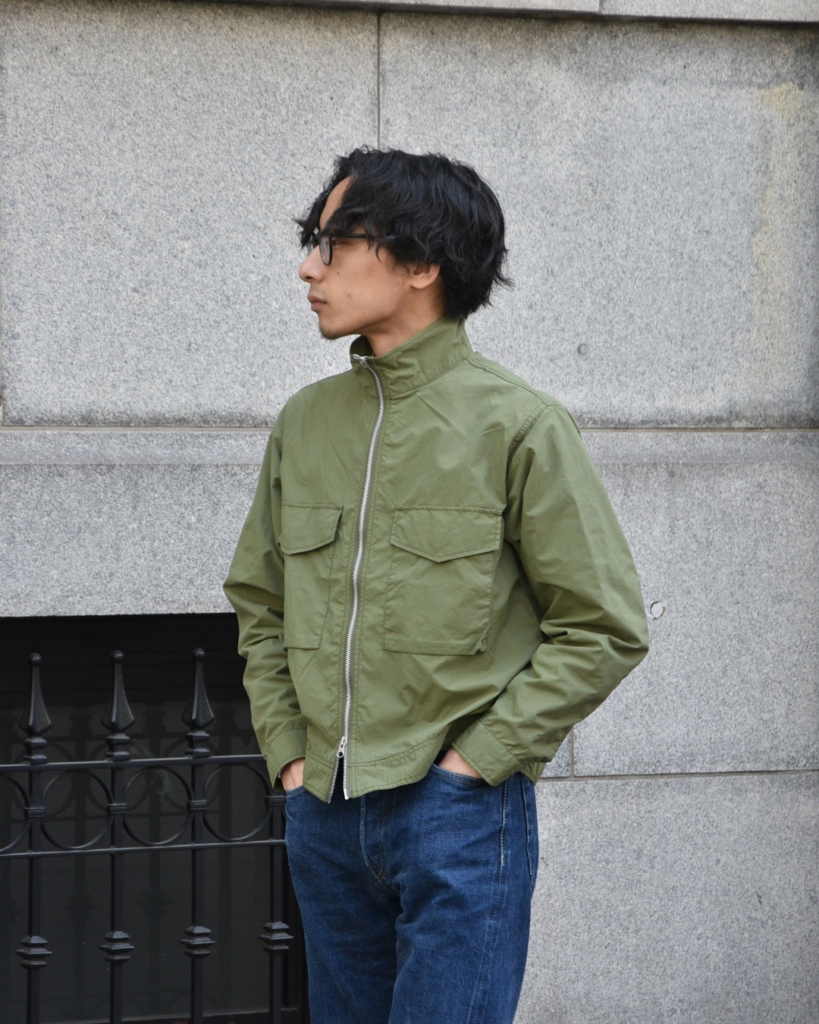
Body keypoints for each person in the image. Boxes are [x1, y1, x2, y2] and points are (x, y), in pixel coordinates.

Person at [223, 147, 649, 1024]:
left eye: (335, 244)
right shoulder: (305, 423)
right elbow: (260, 603)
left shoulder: (519, 426)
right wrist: (291, 754)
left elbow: (603, 628)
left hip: (457, 814)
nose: (308, 269)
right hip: (324, 809)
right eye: (312, 244)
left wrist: (473, 766)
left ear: (420, 264)